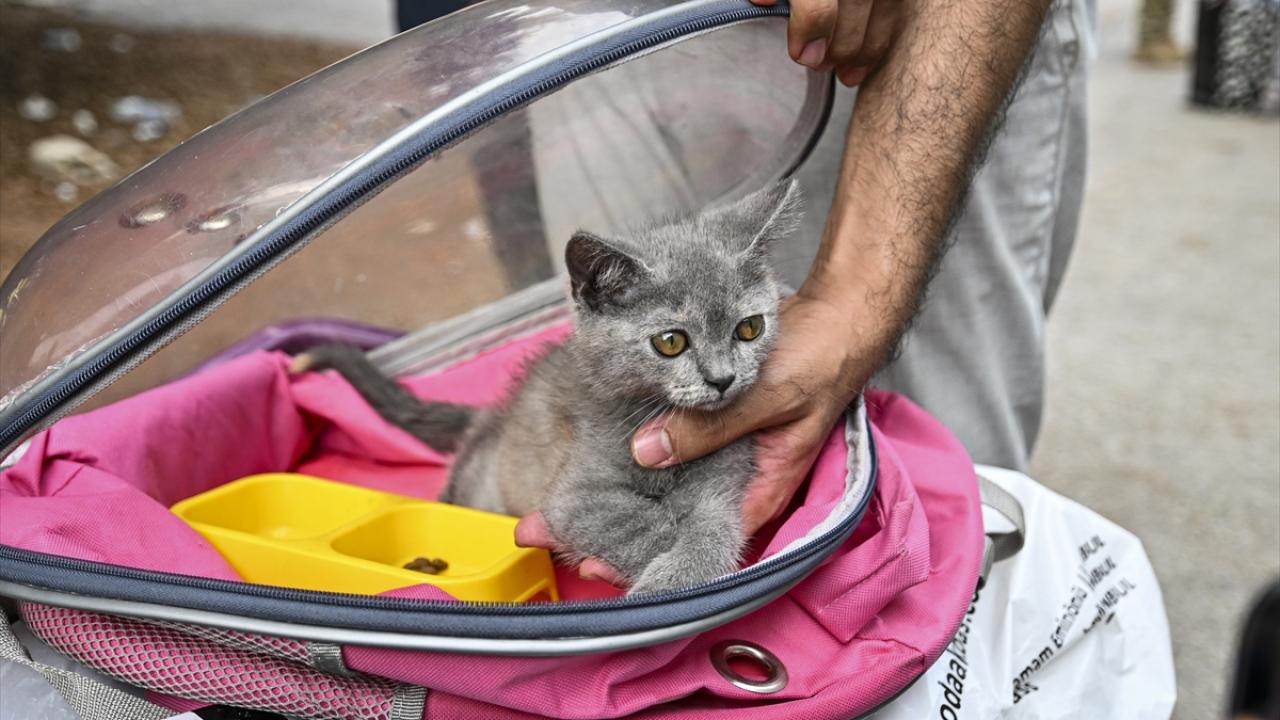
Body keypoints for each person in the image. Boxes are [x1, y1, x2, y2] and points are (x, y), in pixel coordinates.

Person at [514, 0, 1099, 584]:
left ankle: (961, 618)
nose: (720, 375)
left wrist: (853, 306)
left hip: (916, 35)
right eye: (673, 342)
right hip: (587, 27)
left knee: (949, 478)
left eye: (747, 330)